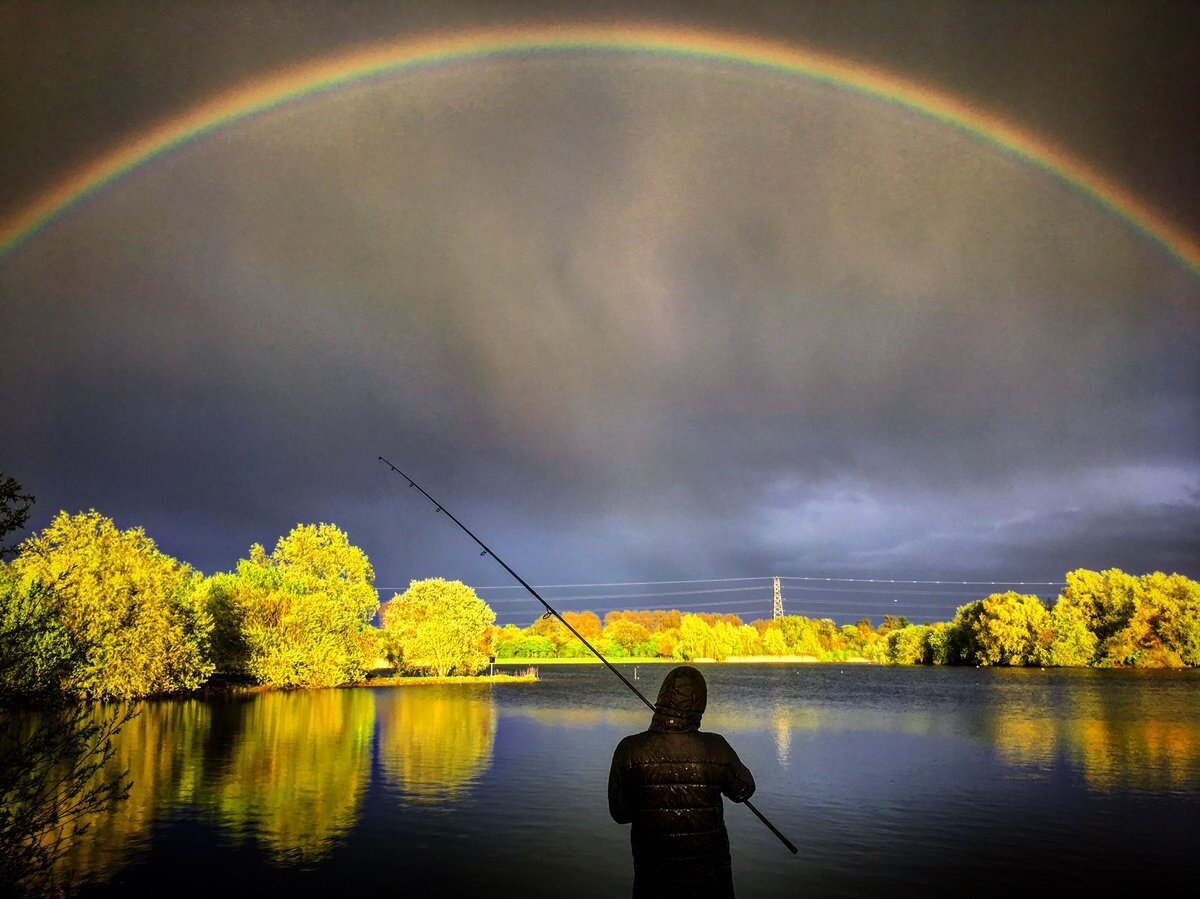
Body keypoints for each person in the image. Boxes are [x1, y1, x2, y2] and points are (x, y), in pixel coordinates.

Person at [608, 665, 756, 898]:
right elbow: (744, 791)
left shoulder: (630, 749)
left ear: (662, 698)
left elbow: (620, 813)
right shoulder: (716, 747)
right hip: (711, 879)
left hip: (652, 877)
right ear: (700, 704)